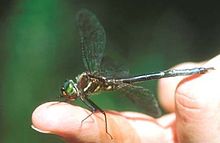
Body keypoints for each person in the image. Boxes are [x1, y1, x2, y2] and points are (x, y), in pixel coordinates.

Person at [32, 55, 220, 143]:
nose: (70, 94)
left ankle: (204, 72)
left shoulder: (86, 85)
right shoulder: (82, 88)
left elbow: (100, 113)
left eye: (70, 91)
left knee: (189, 97)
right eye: (69, 92)